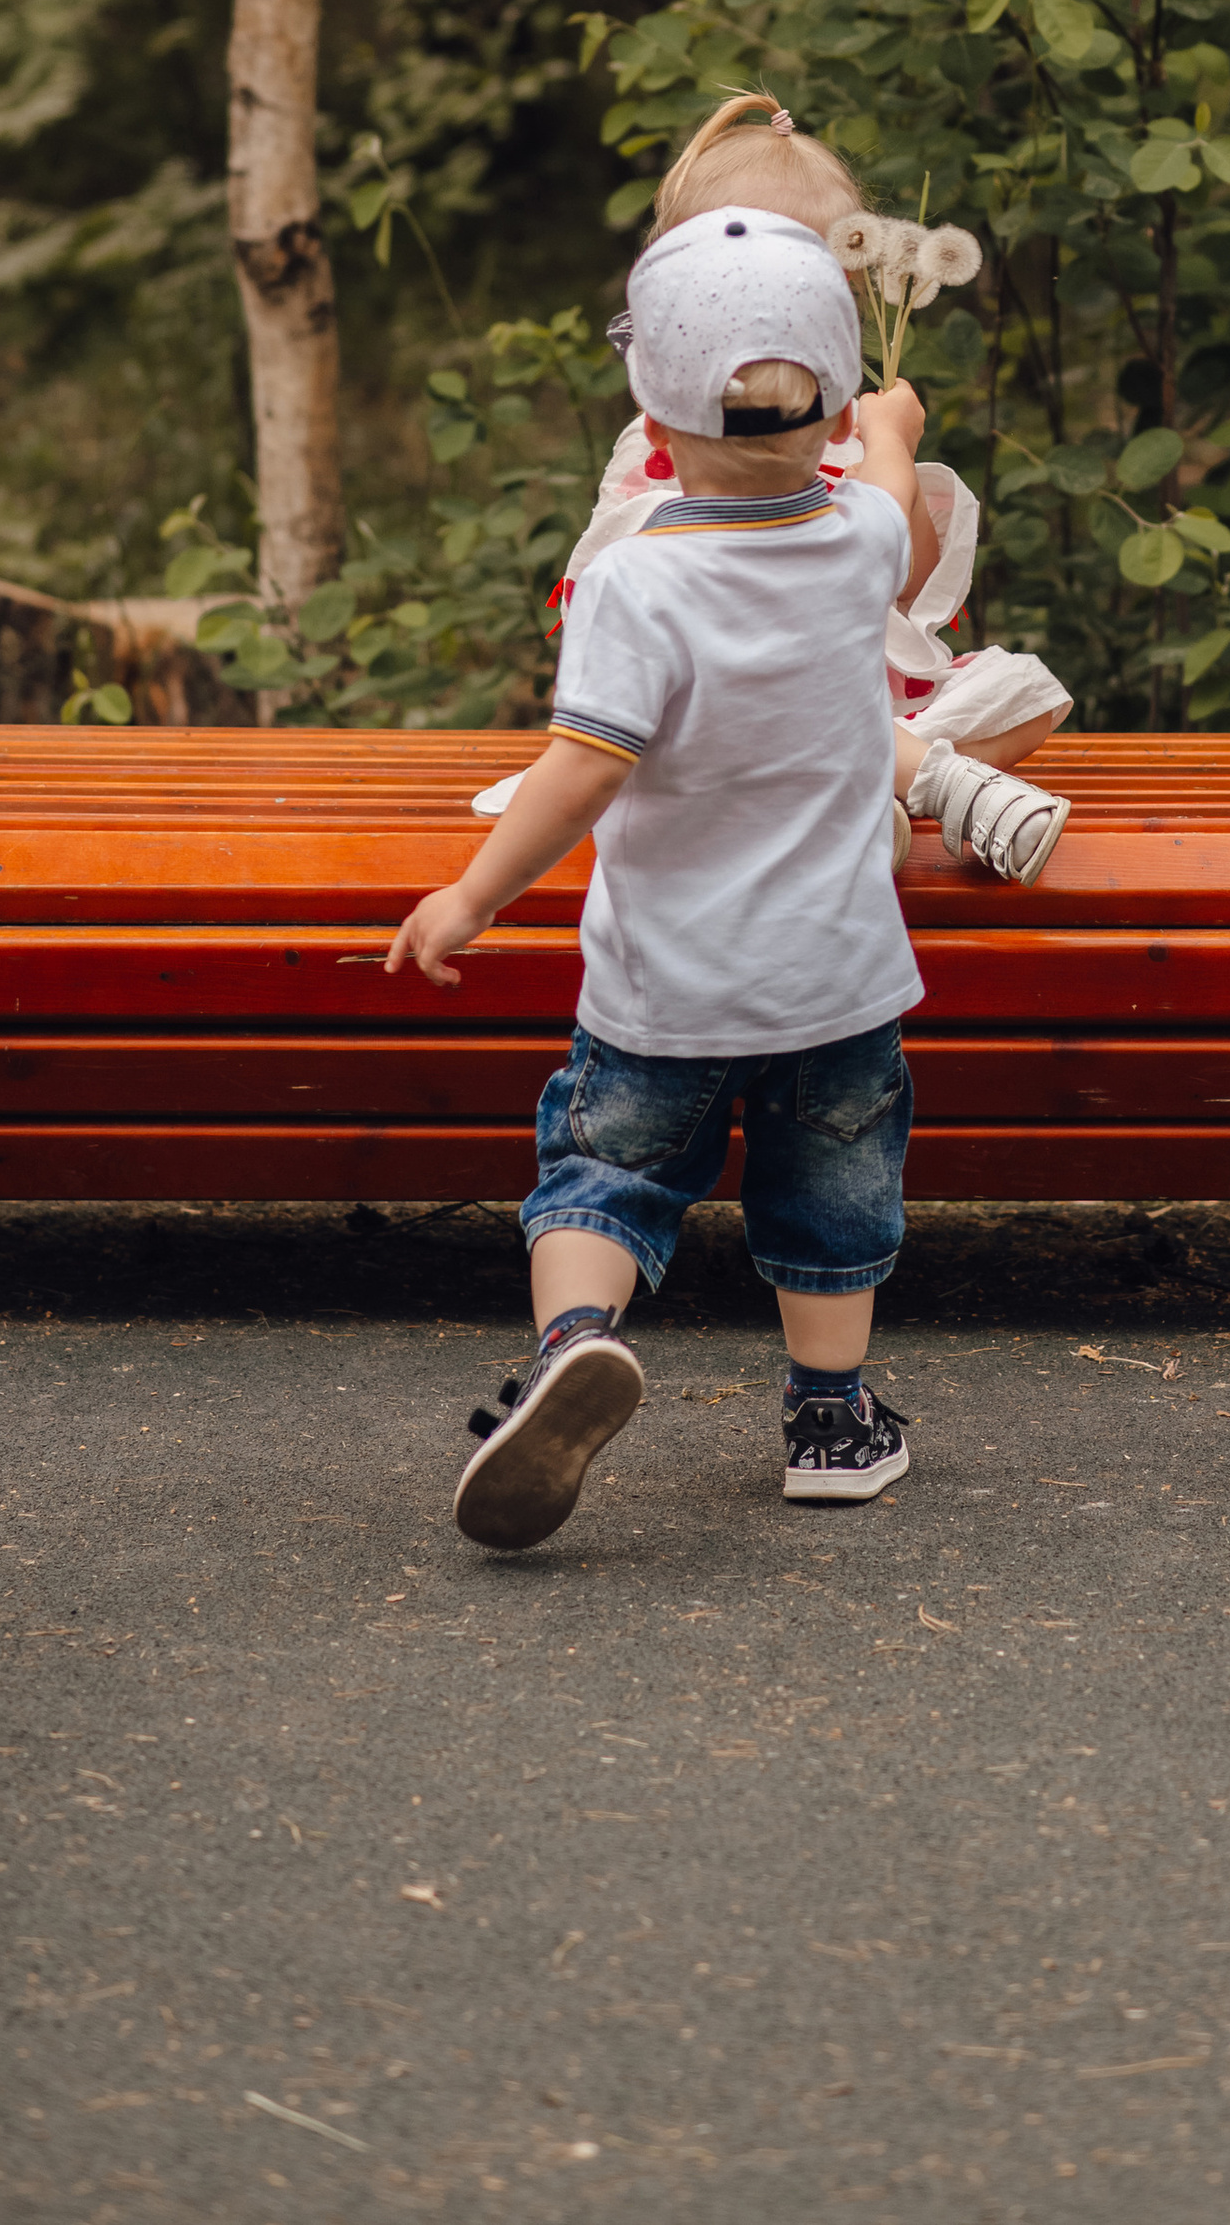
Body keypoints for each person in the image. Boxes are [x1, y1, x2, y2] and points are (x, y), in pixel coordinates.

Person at [388, 204, 947, 1555]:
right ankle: (830, 1423)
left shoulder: (637, 582)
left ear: (652, 405)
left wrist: (472, 894)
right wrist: (895, 435)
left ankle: (574, 1342)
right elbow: (903, 527)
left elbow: (581, 767)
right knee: (832, 1200)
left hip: (664, 990)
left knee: (602, 1173)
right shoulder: (858, 540)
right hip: (837, 986)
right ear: (824, 407)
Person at [474, 91, 1074, 884]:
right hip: (716, 712)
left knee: (1029, 697)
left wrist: (881, 446)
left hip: (862, 706)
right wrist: (890, 446)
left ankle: (869, 800)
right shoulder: (666, 452)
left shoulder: (839, 424)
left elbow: (905, 578)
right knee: (785, 726)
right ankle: (881, 793)